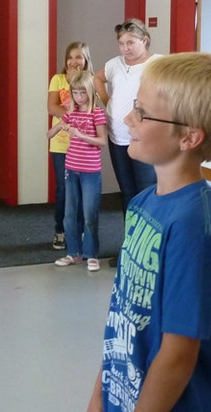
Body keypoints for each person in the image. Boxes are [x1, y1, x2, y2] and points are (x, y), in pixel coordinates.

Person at [82, 53, 211, 412]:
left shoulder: (194, 227)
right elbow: (125, 315)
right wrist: (103, 391)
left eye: (142, 112)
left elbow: (178, 353)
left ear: (189, 137)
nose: (128, 118)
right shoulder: (143, 204)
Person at [95, 19, 162, 214]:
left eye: (130, 43)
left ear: (144, 40)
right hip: (117, 139)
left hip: (143, 139)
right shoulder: (114, 64)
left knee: (146, 191)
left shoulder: (158, 63)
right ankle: (131, 232)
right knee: (127, 192)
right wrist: (108, 102)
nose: (125, 48)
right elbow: (97, 78)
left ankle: (147, 233)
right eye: (121, 44)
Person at [49, 70, 107, 271]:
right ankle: (73, 253)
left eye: (83, 93)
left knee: (89, 213)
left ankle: (91, 254)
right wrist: (60, 127)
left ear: (90, 92)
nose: (79, 97)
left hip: (90, 171)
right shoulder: (71, 113)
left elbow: (102, 141)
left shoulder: (97, 113)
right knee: (69, 214)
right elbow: (49, 134)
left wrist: (80, 135)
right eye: (75, 93)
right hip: (71, 169)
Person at [47, 41, 93, 250]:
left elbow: (91, 110)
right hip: (61, 144)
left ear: (86, 60)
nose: (74, 61)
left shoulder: (90, 81)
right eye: (70, 57)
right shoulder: (58, 80)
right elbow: (52, 107)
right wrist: (74, 115)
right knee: (64, 188)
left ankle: (80, 230)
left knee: (83, 189)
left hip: (83, 143)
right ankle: (61, 231)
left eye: (79, 57)